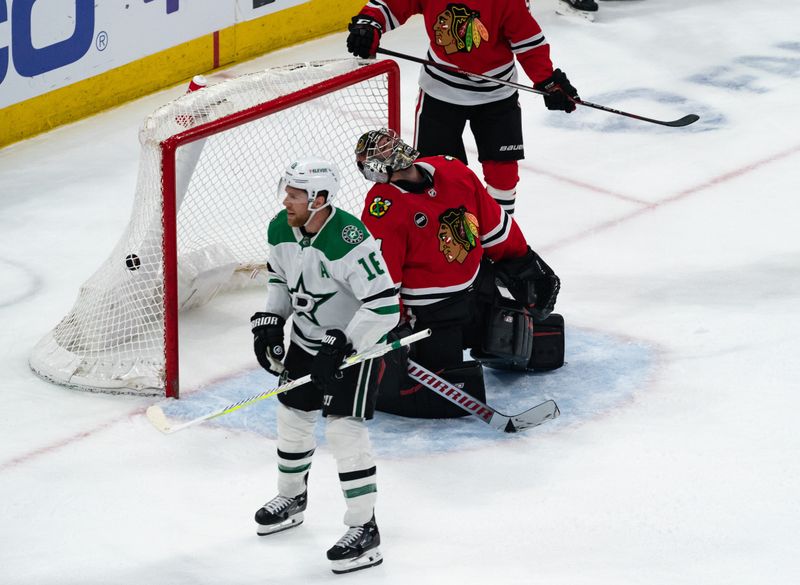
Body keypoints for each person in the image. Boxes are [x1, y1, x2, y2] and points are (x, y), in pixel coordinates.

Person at [250, 158, 400, 574]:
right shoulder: (280, 228)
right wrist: (271, 321)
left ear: (319, 199)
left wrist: (346, 342)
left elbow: (385, 305)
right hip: (307, 339)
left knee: (343, 428)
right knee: (292, 414)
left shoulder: (349, 239)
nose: (286, 200)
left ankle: (364, 528)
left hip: (356, 347)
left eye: (295, 194)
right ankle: (292, 498)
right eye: (288, 191)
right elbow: (279, 279)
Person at [355, 128, 564, 419]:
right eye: (382, 152)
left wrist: (527, 264)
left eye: (388, 143)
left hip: (478, 291)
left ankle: (485, 339)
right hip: (431, 315)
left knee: (540, 344)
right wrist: (393, 324)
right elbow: (383, 278)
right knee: (455, 393)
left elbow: (494, 226)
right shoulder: (384, 208)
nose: (392, 149)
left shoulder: (452, 170)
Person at [346, 0, 581, 215]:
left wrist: (548, 81)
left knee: (503, 176)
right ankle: (439, 239)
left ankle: (500, 236)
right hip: (440, 91)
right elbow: (394, 4)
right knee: (433, 171)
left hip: (496, 94)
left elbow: (527, 41)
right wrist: (370, 23)